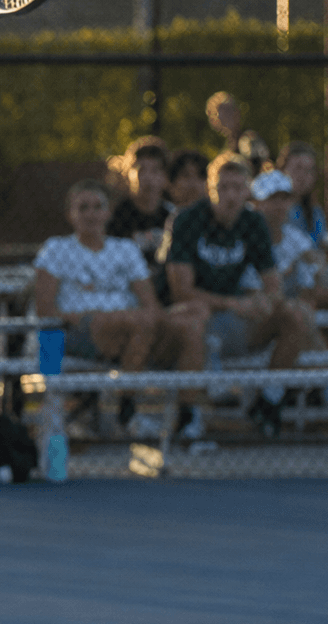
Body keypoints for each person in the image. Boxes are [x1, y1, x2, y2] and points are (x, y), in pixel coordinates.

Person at [161, 153, 317, 435]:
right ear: (209, 189)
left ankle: (269, 402)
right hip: (193, 321)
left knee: (296, 315)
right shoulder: (186, 221)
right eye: (223, 188)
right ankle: (187, 415)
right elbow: (181, 291)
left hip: (235, 320)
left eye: (237, 188)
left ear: (247, 191)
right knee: (195, 317)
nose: (230, 196)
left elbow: (272, 285)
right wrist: (235, 304)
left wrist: (265, 301)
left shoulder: (253, 223)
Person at [35, 180, 207, 434]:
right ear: (70, 215)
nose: (91, 214)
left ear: (108, 212)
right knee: (137, 322)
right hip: (77, 331)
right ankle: (127, 411)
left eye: (98, 207)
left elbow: (150, 305)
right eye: (83, 208)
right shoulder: (56, 249)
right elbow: (45, 309)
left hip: (134, 329)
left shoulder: (125, 250)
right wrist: (89, 316)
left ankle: (187, 417)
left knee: (191, 325)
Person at [242, 169, 328, 361]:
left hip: (292, 301)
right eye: (272, 199)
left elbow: (317, 262)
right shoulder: (244, 237)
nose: (279, 206)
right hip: (257, 306)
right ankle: (320, 373)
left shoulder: (293, 236)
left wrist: (312, 272)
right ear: (256, 204)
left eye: (284, 199)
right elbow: (249, 288)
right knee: (297, 315)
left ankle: (322, 367)